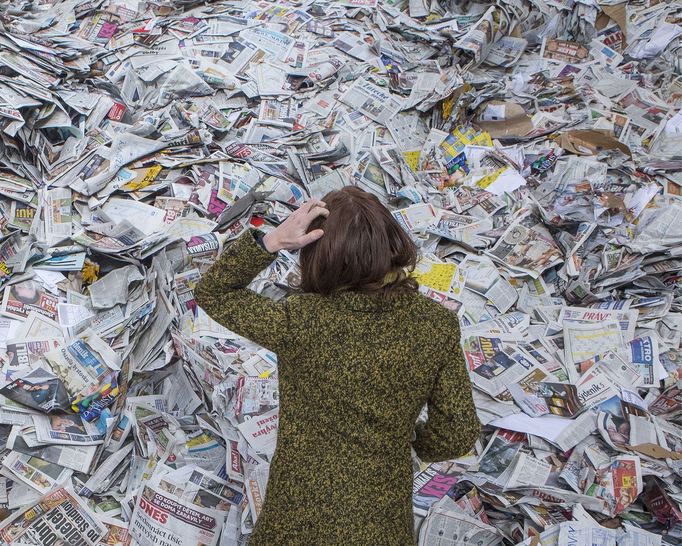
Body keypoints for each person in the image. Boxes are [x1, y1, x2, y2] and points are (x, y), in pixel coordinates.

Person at [194, 186, 480, 545]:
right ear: (392, 244)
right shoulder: (435, 324)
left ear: (319, 254)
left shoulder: (300, 320)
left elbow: (213, 292)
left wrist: (272, 241)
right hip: (381, 523)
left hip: (296, 518)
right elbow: (458, 432)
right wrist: (406, 442)